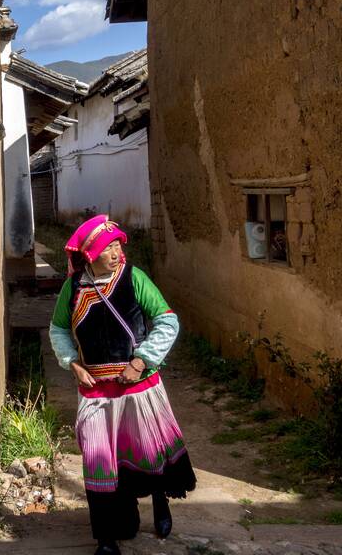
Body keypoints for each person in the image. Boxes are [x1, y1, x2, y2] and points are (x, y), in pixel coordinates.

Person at [49, 214, 196, 555]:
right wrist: (72, 363)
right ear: (89, 254)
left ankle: (159, 500)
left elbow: (167, 321)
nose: (116, 253)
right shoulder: (73, 289)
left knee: (147, 451)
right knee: (99, 460)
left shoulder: (134, 278)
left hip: (138, 386)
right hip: (96, 392)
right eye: (107, 248)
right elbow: (58, 329)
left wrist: (140, 361)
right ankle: (106, 538)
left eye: (118, 245)